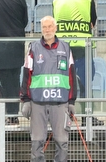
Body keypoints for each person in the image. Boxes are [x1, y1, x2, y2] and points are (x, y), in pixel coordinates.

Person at [20, 16, 77, 162]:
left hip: (60, 102)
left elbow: (71, 75)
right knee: (37, 141)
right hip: (38, 101)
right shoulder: (33, 47)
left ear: (55, 28)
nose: (47, 30)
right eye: (44, 27)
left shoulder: (66, 47)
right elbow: (27, 74)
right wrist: (25, 99)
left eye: (50, 26)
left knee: (62, 141)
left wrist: (72, 101)